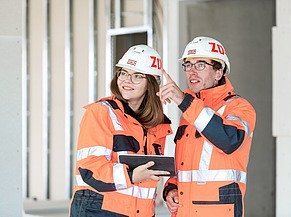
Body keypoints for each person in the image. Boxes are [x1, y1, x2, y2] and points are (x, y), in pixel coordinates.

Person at [158, 36, 256, 217]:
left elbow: (229, 140)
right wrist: (171, 187)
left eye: (200, 65)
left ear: (219, 72)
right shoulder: (189, 110)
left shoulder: (239, 107)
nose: (192, 72)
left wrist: (183, 101)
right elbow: (187, 165)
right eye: (188, 65)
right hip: (184, 211)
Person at [70, 44, 172, 217]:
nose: (127, 80)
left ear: (151, 84)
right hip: (99, 210)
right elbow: (90, 169)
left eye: (137, 76)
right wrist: (131, 175)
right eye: (123, 73)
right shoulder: (101, 112)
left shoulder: (156, 126)